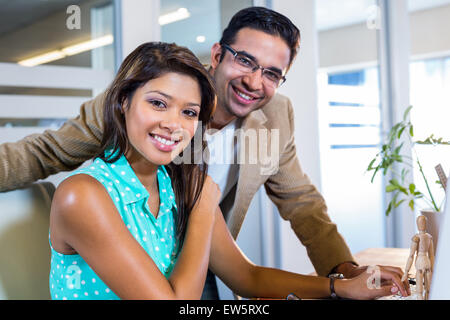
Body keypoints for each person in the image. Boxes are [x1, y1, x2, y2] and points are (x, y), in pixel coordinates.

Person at [0, 7, 409, 299]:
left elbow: (299, 206)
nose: (254, 80)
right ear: (218, 55)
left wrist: (342, 278)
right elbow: (44, 153)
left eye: (271, 73)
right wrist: (202, 202)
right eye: (245, 60)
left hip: (204, 262)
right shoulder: (142, 109)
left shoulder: (270, 119)